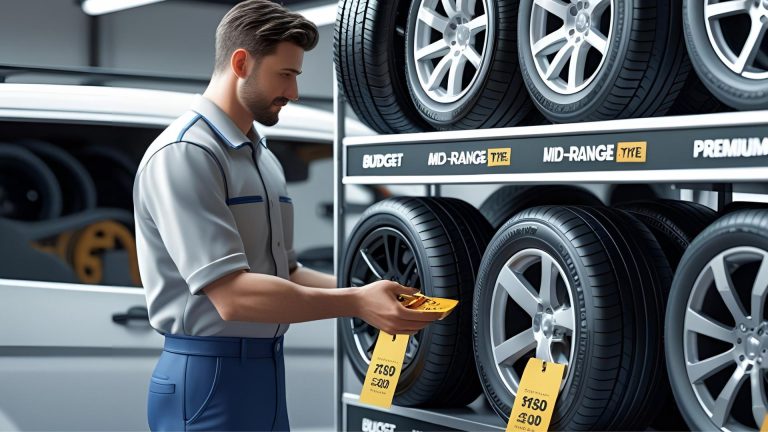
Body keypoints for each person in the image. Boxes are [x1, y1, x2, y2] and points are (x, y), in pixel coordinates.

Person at [133, 1, 442, 430]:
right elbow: (232, 296)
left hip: (265, 371)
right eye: (286, 75)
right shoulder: (186, 155)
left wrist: (372, 292)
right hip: (206, 374)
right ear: (241, 63)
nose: (294, 93)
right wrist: (356, 302)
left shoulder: (262, 158)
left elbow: (287, 272)